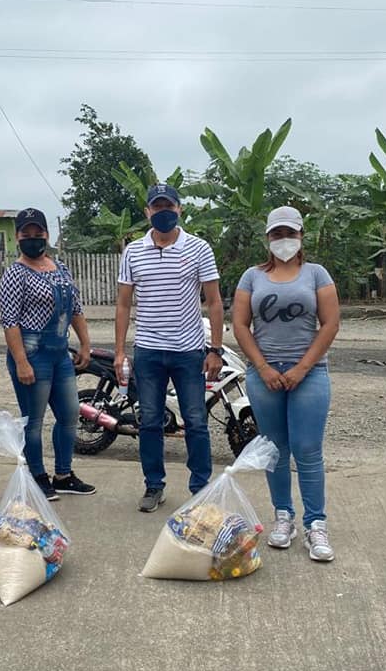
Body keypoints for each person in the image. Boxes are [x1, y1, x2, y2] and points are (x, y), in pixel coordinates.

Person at [231, 206, 340, 561]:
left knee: (307, 449)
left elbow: (330, 324)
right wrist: (262, 367)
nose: (284, 240)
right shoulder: (252, 277)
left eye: (290, 233)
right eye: (277, 234)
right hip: (265, 375)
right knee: (275, 450)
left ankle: (315, 524)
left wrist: (302, 368)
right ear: (267, 238)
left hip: (309, 373)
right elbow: (240, 325)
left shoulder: (316, 274)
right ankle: (283, 516)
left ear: (301, 236)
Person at [114, 183, 224, 513]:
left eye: (169, 206)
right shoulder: (133, 252)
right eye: (157, 207)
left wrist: (215, 349)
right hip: (148, 352)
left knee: (196, 421)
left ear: (179, 209)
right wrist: (119, 351)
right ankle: (154, 485)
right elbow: (123, 304)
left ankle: (200, 488)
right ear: (147, 211)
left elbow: (214, 301)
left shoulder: (199, 248)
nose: (163, 212)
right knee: (149, 421)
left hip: (188, 352)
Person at [0, 207, 96, 500]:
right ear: (17, 237)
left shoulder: (60, 268)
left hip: (59, 353)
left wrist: (85, 344)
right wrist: (21, 361)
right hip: (32, 354)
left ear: (46, 234)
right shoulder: (15, 274)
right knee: (34, 420)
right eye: (26, 233)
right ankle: (37, 476)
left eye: (37, 232)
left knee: (69, 414)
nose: (33, 238)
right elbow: (10, 322)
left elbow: (75, 309)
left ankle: (63, 475)